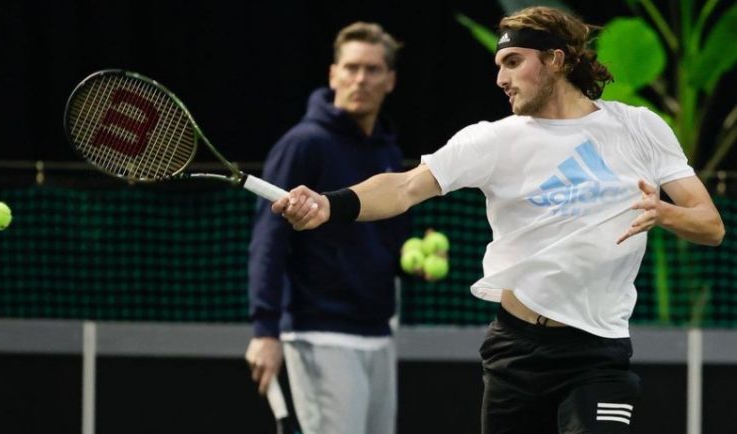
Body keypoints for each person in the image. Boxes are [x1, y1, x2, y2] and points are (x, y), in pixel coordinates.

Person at [273, 7, 725, 434]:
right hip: (515, 352)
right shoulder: (492, 141)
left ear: (555, 60)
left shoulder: (640, 128)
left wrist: (665, 213)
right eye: (498, 66)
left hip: (598, 353)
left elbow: (710, 225)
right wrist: (330, 204)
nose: (500, 79)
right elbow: (405, 187)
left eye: (513, 62)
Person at [244, 22, 407, 434]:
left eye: (372, 69)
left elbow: (386, 239)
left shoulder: (388, 151)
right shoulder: (304, 144)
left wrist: (409, 261)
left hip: (379, 332)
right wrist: (265, 330)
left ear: (390, 80)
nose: (360, 79)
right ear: (333, 74)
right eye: (351, 68)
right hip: (319, 334)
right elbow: (268, 242)